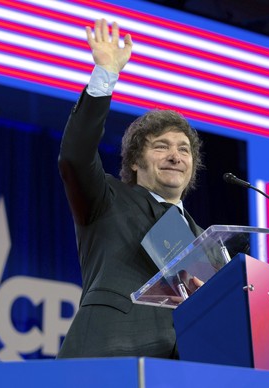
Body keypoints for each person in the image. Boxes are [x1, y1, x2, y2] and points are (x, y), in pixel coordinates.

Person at [56, 19, 204, 359]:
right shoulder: (107, 200)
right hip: (106, 360)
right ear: (135, 162)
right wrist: (105, 73)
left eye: (184, 149)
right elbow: (75, 157)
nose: (175, 156)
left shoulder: (203, 240)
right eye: (161, 146)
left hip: (179, 374)